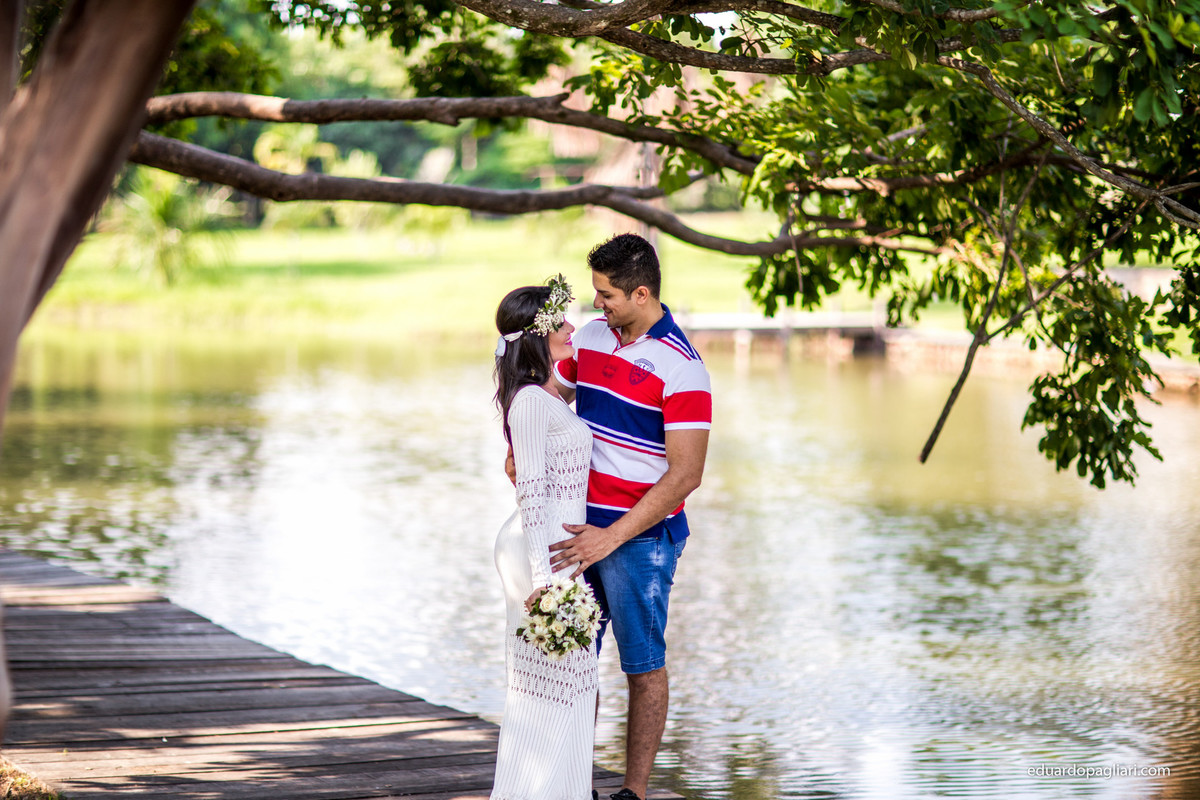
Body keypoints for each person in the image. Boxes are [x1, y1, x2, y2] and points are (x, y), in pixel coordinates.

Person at [549, 233, 712, 800]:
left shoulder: (683, 368)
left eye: (606, 294)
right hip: (576, 531)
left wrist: (610, 538)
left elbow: (685, 475)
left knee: (642, 666)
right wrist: (517, 441)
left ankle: (633, 795)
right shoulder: (593, 339)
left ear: (641, 294)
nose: (598, 304)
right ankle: (572, 783)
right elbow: (547, 398)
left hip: (640, 541)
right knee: (569, 661)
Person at [490, 275, 599, 800]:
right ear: (537, 336)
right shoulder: (532, 402)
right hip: (544, 550)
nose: (571, 328)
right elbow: (532, 491)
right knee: (553, 691)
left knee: (570, 690)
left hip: (559, 547)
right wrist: (545, 582)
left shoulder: (548, 396)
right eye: (559, 323)